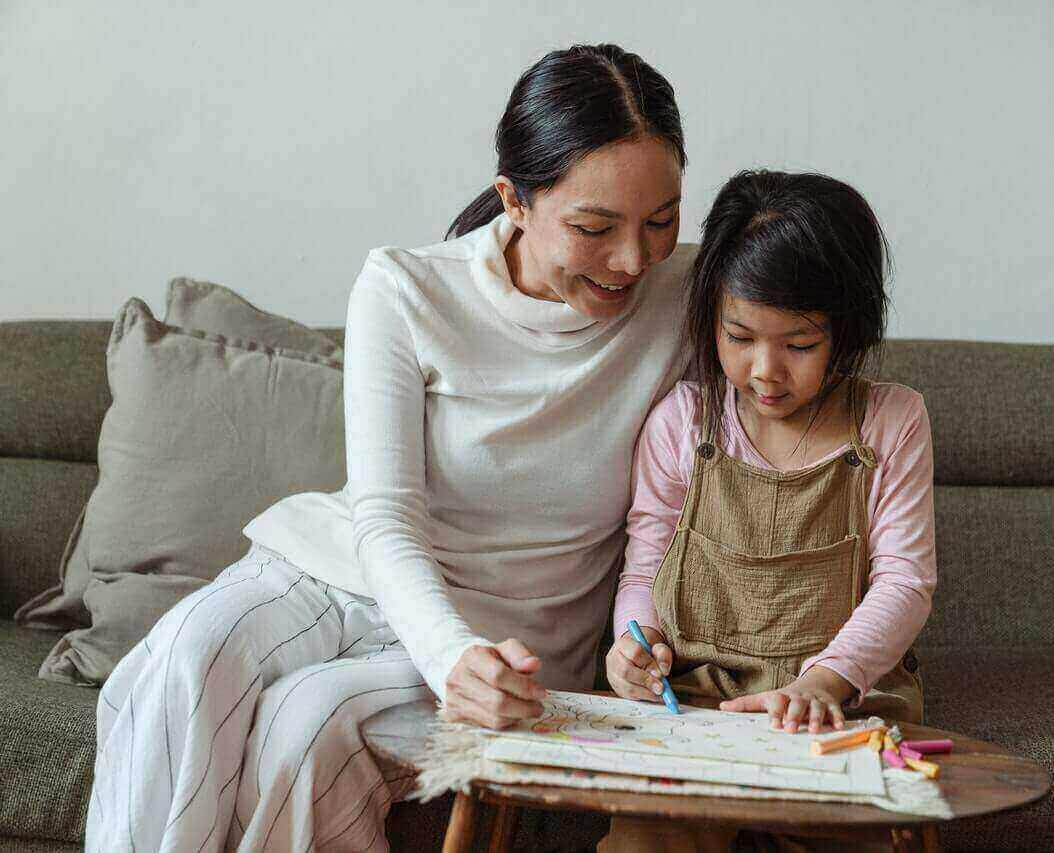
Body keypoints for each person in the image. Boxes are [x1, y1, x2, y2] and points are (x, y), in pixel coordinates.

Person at [87, 43, 693, 852]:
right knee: (182, 657)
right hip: (340, 572)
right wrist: (447, 656)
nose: (633, 258)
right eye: (594, 227)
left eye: (662, 220)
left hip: (507, 633)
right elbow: (384, 517)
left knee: (303, 730)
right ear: (514, 200)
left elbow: (805, 294)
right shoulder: (406, 288)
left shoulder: (691, 296)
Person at [606, 169, 934, 734]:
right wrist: (636, 646)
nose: (765, 371)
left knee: (854, 815)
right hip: (695, 701)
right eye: (738, 337)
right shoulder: (682, 422)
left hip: (840, 700)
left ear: (847, 331)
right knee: (654, 825)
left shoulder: (892, 421)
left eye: (800, 345)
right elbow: (645, 571)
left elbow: (905, 580)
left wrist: (825, 679)